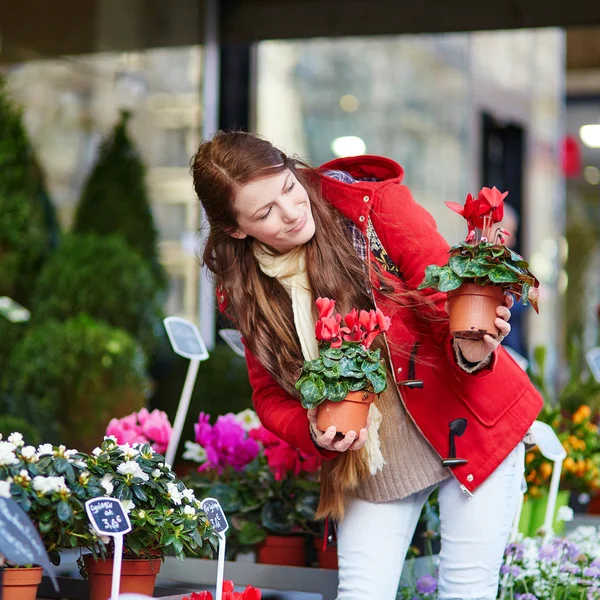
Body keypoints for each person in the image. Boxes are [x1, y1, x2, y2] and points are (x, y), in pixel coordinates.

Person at [191, 131, 543, 600]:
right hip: (369, 459)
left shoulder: (369, 208)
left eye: (289, 188)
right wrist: (312, 428)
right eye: (264, 213)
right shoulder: (246, 292)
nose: (292, 212)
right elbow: (270, 396)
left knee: (466, 591)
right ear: (236, 229)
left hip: (473, 423)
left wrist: (474, 346)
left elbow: (445, 298)